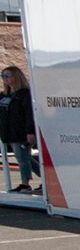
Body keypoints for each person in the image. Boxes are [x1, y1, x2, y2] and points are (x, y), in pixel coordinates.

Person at [1, 65, 37, 194]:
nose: (4, 79)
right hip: (9, 132)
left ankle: (25, 183)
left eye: (7, 76)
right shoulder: (5, 95)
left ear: (16, 77)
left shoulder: (24, 94)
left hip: (20, 131)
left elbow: (29, 114)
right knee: (25, 157)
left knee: (22, 158)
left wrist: (30, 132)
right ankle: (46, 178)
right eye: (3, 76)